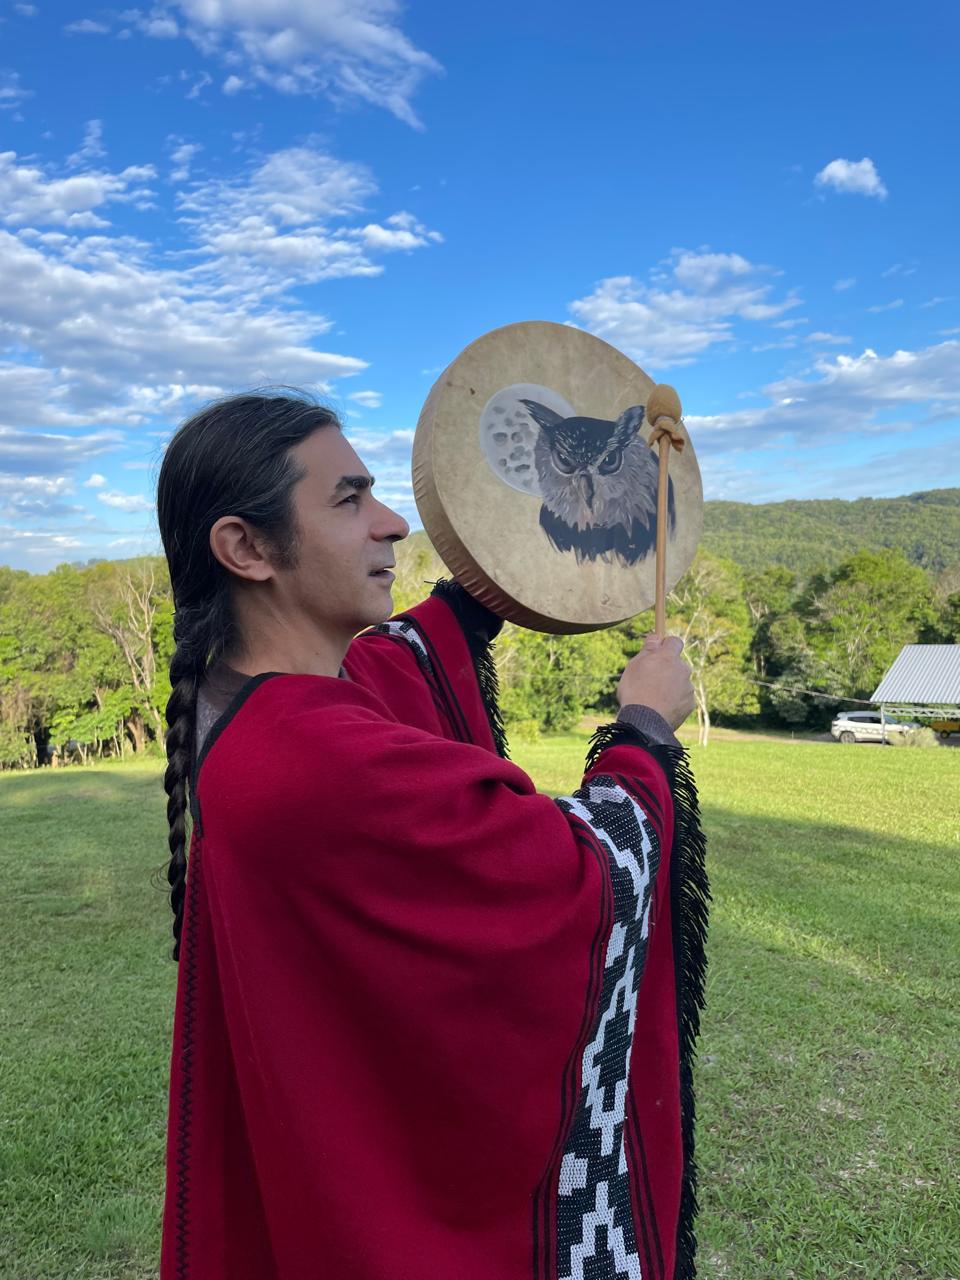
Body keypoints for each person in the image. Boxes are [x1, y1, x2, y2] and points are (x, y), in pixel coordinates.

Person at [156, 391, 708, 1280]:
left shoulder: (258, 706)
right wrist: (644, 729)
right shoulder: (311, 761)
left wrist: (478, 599)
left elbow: (393, 662)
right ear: (246, 548)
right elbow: (577, 877)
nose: (393, 522)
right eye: (349, 499)